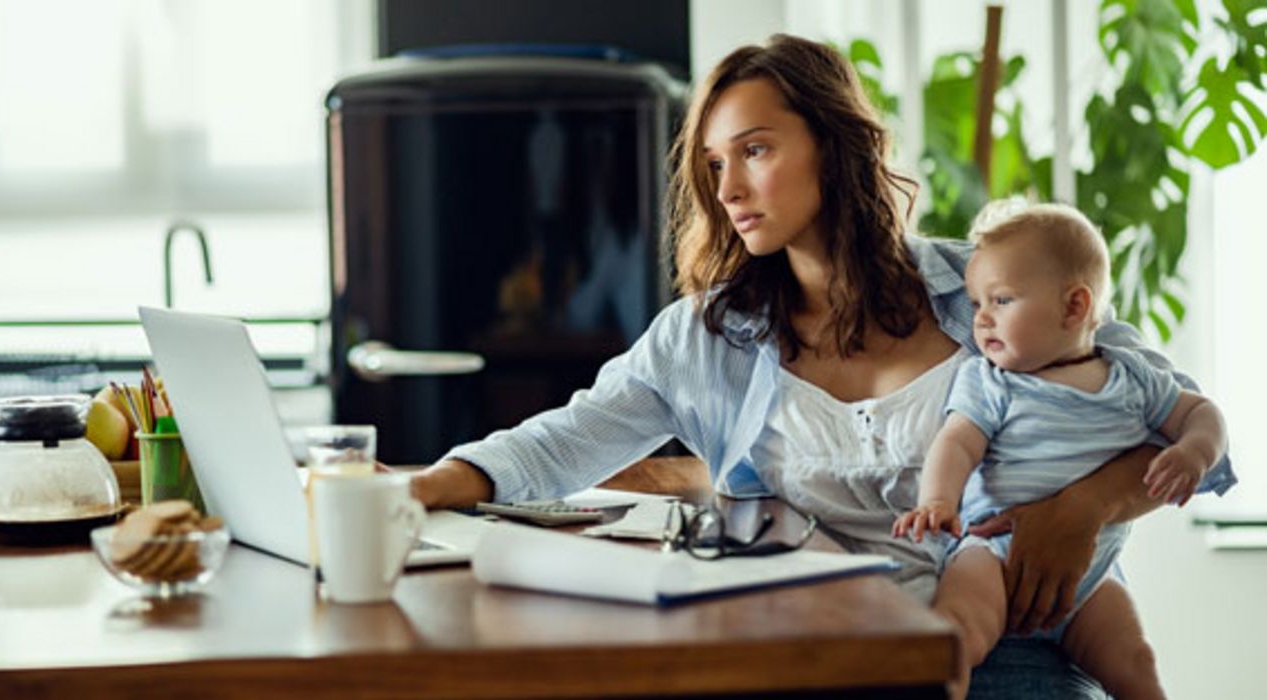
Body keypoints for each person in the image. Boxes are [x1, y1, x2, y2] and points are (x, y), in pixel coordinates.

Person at [408, 34, 1235, 697]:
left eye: (755, 149)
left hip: (1016, 653)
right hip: (822, 655)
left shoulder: (988, 288)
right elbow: (561, 444)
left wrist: (1083, 508)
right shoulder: (702, 336)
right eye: (713, 164)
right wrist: (418, 487)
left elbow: (1178, 424)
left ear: (835, 145)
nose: (729, 187)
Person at [892, 201, 1228, 699]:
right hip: (991, 555)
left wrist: (1195, 452)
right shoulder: (991, 382)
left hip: (1089, 576)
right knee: (957, 637)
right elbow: (957, 442)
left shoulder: (1131, 377)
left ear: (1074, 307)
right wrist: (939, 501)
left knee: (1137, 663)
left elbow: (1202, 414)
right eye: (976, 302)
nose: (980, 320)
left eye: (1000, 301)